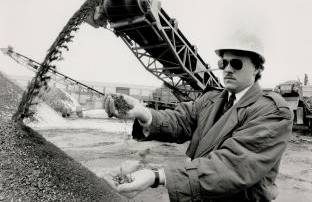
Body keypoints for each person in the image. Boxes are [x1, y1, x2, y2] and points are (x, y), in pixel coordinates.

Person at [103, 32, 293, 202]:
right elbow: (180, 120)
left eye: (236, 63)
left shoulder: (273, 112)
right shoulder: (211, 99)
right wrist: (144, 113)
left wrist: (158, 176)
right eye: (223, 63)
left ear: (257, 68)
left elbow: (232, 167)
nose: (227, 69)